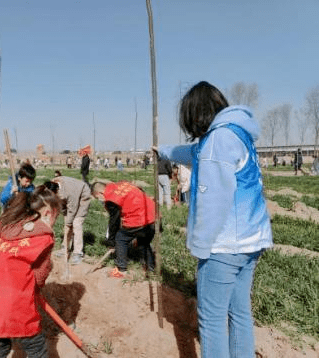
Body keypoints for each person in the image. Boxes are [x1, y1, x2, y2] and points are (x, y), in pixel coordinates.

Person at [155, 81, 273, 358]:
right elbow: (193, 153)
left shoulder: (217, 141)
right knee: (239, 312)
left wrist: (200, 245)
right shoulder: (236, 134)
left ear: (196, 115)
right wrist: (162, 150)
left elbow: (213, 202)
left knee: (211, 319)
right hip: (251, 241)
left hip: (224, 245)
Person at [0, 185, 62, 358]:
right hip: (11, 304)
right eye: (56, 218)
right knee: (36, 347)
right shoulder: (42, 238)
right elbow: (38, 279)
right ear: (47, 213)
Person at [91, 181, 157, 278]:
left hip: (138, 217)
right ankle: (150, 269)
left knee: (121, 238)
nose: (100, 200)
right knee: (144, 242)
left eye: (97, 198)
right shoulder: (119, 185)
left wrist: (112, 241)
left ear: (99, 193)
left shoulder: (111, 199)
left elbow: (114, 221)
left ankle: (121, 269)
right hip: (151, 213)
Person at [46, 176, 91, 265]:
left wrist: (68, 222)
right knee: (67, 222)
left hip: (82, 194)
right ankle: (65, 248)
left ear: (56, 191)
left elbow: (72, 209)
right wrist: (65, 218)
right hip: (69, 198)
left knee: (76, 223)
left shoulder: (68, 193)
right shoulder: (52, 184)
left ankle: (78, 252)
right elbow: (62, 205)